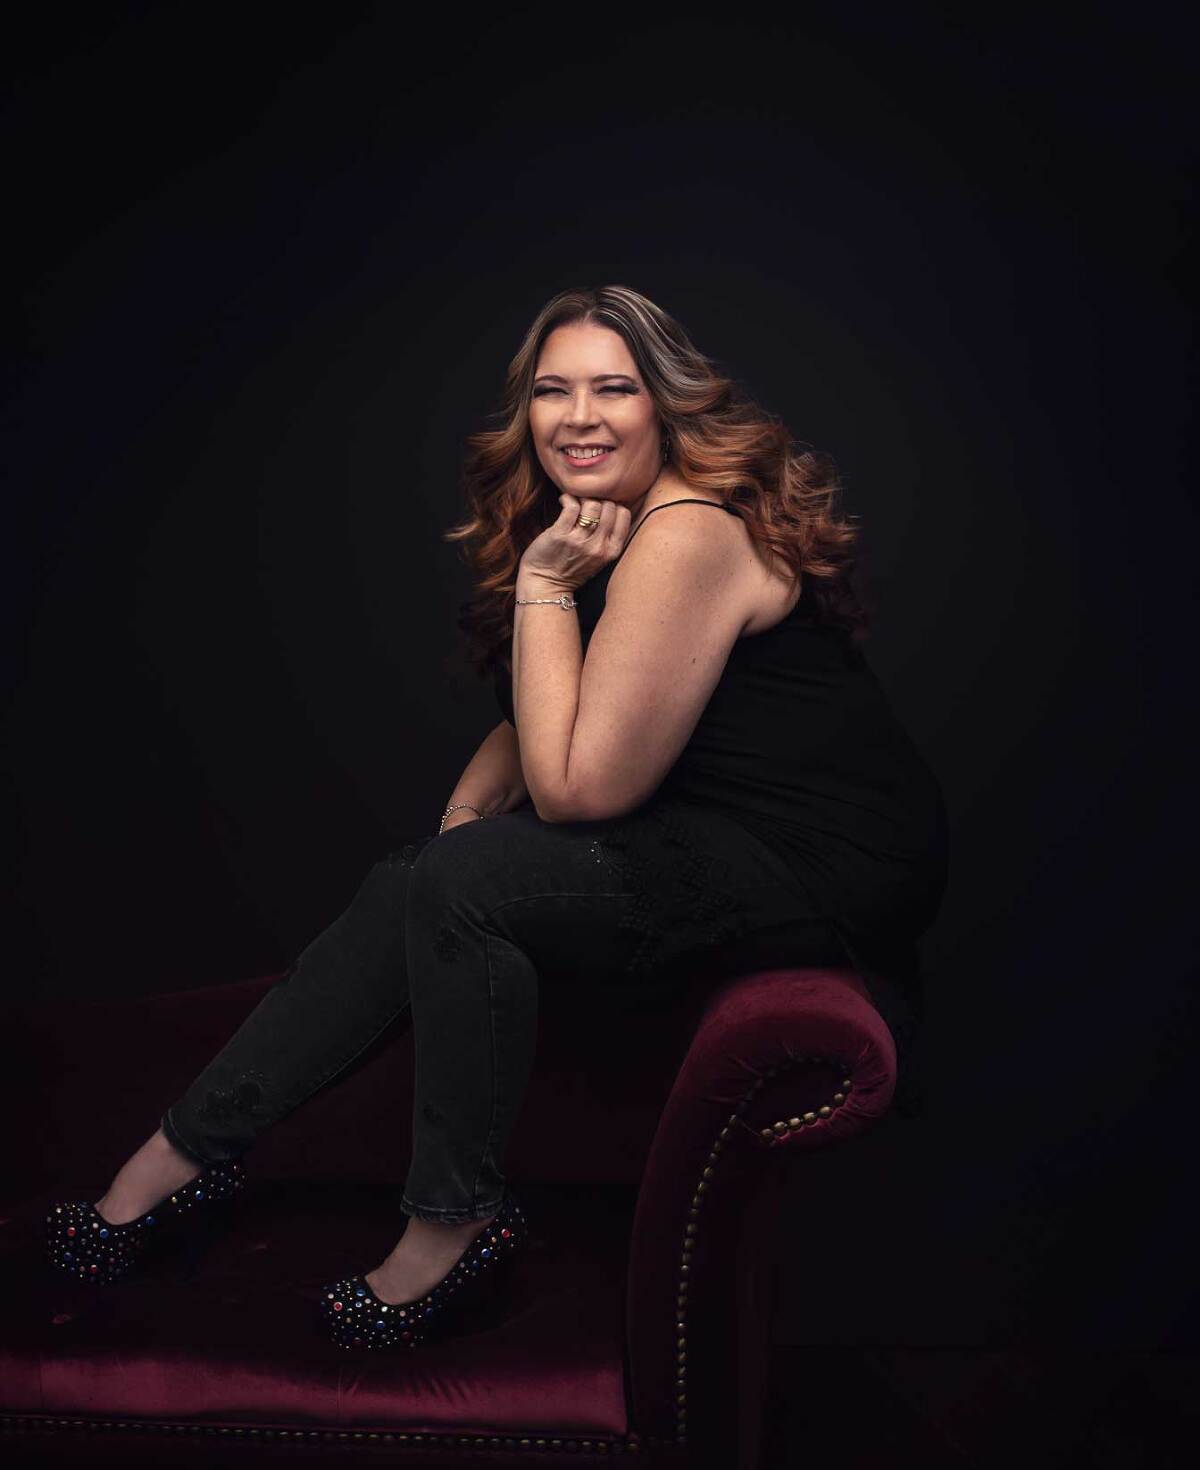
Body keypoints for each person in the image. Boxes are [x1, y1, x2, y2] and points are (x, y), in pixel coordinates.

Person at [46, 282, 949, 1353]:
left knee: (464, 882)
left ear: (667, 406)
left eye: (614, 388)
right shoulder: (604, 521)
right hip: (716, 827)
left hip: (821, 855)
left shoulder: (686, 530)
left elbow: (578, 790)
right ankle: (169, 1166)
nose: (580, 416)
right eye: (552, 391)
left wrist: (539, 585)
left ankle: (452, 1220)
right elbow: (548, 721)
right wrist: (469, 812)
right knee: (426, 875)